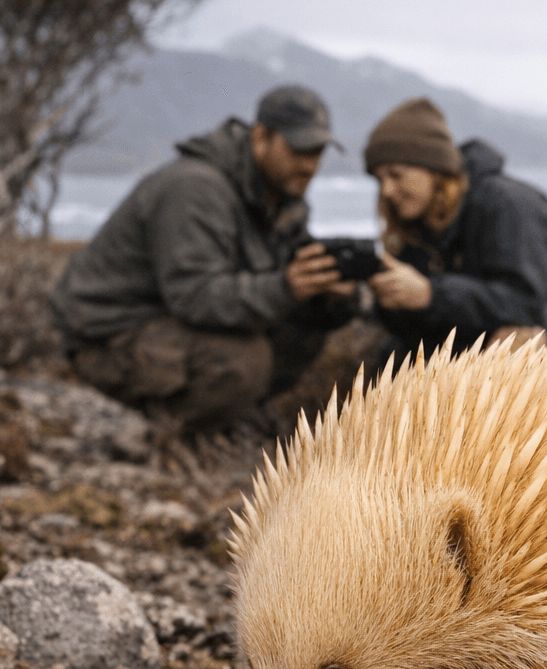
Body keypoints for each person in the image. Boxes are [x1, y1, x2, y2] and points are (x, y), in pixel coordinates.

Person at [48, 85, 355, 437]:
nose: (309, 165)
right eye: (298, 149)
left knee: (306, 320)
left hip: (170, 322)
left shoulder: (283, 194)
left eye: (317, 152)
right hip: (107, 331)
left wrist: (334, 295)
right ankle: (161, 432)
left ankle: (225, 418)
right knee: (245, 362)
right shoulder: (196, 189)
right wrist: (285, 286)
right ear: (261, 138)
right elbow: (194, 296)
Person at [361, 97, 547, 362]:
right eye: (380, 179)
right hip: (510, 321)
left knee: (516, 341)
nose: (386, 190)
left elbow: (523, 303)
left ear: (434, 168)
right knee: (401, 354)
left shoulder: (505, 203)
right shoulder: (419, 223)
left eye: (396, 175)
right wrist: (384, 300)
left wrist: (431, 294)